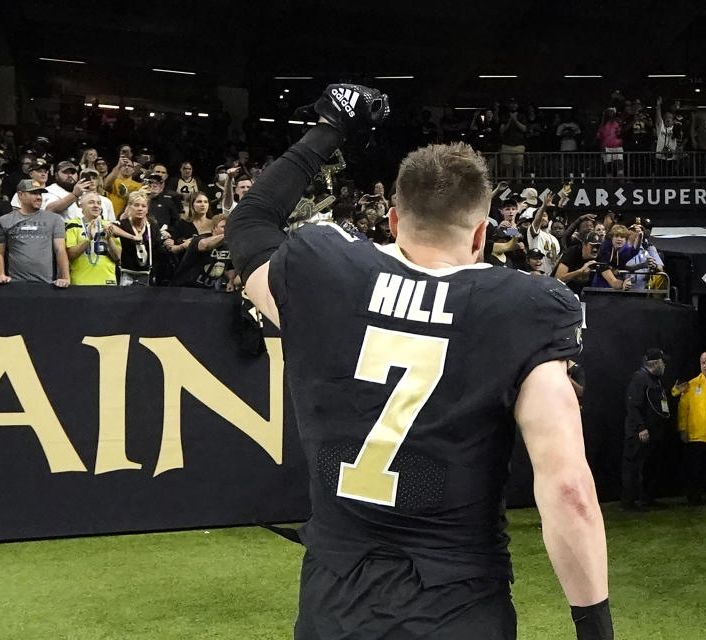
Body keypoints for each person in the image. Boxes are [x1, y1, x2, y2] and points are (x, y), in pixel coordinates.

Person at [225, 84, 611, 640]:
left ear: (391, 219)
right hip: (458, 608)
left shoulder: (324, 272)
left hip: (335, 606)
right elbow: (568, 489)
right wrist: (595, 629)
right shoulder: (524, 309)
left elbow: (251, 223)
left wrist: (330, 126)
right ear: (481, 233)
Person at [0, 179, 69, 287]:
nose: (39, 197)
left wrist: (65, 278)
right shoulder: (5, 220)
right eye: (33, 193)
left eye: (40, 194)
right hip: (14, 284)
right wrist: (0, 274)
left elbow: (60, 250)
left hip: (46, 284)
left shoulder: (54, 219)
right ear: (20, 195)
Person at [622, 349, 670, 512]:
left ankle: (647, 498)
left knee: (650, 467)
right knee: (633, 466)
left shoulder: (654, 380)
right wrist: (641, 428)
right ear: (656, 363)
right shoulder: (639, 378)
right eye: (663, 362)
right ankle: (629, 501)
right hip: (639, 433)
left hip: (653, 433)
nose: (665, 365)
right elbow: (632, 405)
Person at [64, 191, 121, 286]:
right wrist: (89, 238)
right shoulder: (72, 225)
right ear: (80, 206)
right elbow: (70, 255)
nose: (96, 206)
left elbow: (118, 257)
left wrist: (109, 239)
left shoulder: (109, 226)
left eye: (99, 203)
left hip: (107, 281)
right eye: (91, 202)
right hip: (81, 282)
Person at [673, 352, 706, 505]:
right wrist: (683, 429)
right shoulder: (691, 385)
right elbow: (682, 408)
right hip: (696, 435)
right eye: (703, 362)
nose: (705, 365)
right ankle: (694, 498)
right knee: (695, 470)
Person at [114, 191, 161, 286]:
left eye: (143, 206)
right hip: (126, 272)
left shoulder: (152, 226)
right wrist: (132, 237)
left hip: (147, 273)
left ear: (147, 209)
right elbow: (109, 227)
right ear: (129, 207)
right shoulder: (123, 224)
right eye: (136, 205)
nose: (140, 209)